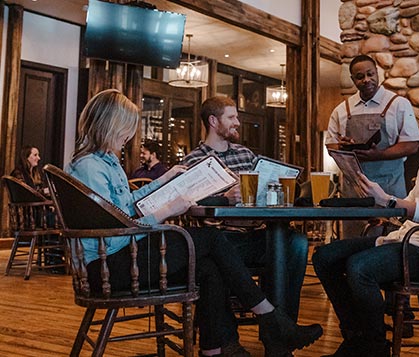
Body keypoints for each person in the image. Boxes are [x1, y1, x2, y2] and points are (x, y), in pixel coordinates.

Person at [67, 89, 322, 357]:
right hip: (108, 266)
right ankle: (270, 318)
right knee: (209, 240)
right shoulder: (90, 168)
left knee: (208, 266)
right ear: (110, 126)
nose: (130, 137)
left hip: (120, 256)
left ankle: (213, 349)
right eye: (126, 129)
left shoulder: (106, 162)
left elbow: (127, 204)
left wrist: (163, 181)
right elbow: (112, 234)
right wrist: (167, 210)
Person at [313, 91, 419, 357]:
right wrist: (384, 206)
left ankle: (373, 348)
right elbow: (411, 203)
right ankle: (357, 337)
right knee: (325, 256)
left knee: (360, 268)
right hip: (407, 240)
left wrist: (390, 202)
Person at [181, 96, 309, 350]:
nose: (238, 123)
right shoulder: (194, 161)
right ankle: (262, 328)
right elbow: (188, 205)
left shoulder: (245, 155)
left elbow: (260, 192)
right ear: (213, 121)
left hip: (255, 233)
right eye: (232, 117)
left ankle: (282, 329)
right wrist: (225, 198)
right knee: (216, 260)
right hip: (221, 240)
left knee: (297, 243)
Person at [325, 54, 419, 238]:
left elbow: (412, 145)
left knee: (390, 244)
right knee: (352, 244)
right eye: (360, 77)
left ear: (377, 73)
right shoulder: (342, 110)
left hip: (390, 191)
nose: (366, 80)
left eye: (370, 74)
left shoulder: (398, 104)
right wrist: (343, 146)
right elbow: (331, 146)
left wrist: (379, 154)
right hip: (353, 195)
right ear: (353, 79)